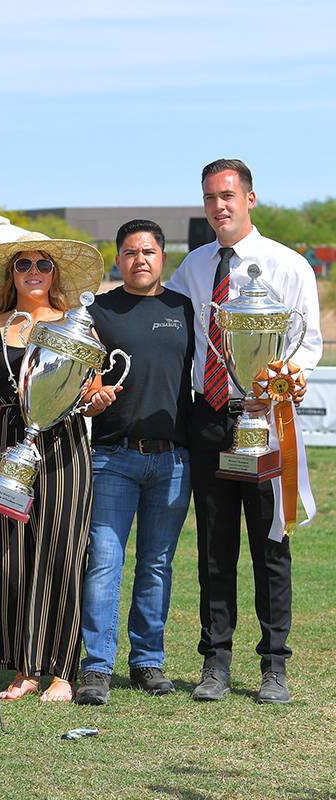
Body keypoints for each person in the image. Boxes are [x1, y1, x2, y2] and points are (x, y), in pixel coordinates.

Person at [167, 159, 322, 704]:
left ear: (250, 198)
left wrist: (282, 381)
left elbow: (308, 341)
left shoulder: (288, 264)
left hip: (266, 421)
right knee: (214, 548)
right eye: (210, 197)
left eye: (227, 195)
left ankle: (274, 666)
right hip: (210, 419)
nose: (219, 207)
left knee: (271, 547)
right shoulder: (193, 266)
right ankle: (215, 663)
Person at [0, 232, 110, 702]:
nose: (33, 271)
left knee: (63, 553)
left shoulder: (78, 326)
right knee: (10, 556)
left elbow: (89, 392)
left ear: (54, 274)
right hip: (8, 447)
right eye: (23, 264)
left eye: (43, 264)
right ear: (11, 274)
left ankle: (62, 671)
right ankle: (24, 668)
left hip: (65, 449)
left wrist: (97, 400)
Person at [74, 220, 194, 705]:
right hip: (112, 458)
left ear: (162, 257)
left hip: (173, 461)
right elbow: (80, 391)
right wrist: (92, 399)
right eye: (129, 252)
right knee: (104, 562)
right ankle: (96, 667)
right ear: (118, 259)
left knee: (157, 564)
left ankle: (147, 661)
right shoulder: (97, 313)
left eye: (148, 251)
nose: (139, 259)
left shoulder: (184, 309)